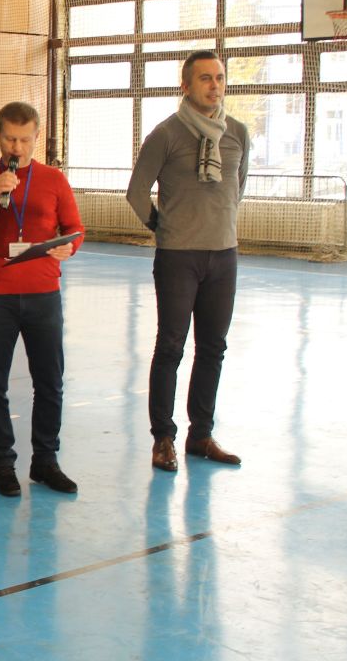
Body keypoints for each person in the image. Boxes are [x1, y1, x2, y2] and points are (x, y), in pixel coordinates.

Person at [0, 101, 85, 497]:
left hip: (44, 294)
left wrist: (69, 247)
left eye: (25, 140)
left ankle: (46, 460)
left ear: (36, 137)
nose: (17, 148)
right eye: (10, 139)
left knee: (50, 383)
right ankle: (4, 465)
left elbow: (75, 228)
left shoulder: (54, 180)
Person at [126, 50, 248, 472]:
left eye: (219, 77)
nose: (215, 86)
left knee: (213, 347)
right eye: (205, 79)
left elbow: (237, 188)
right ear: (186, 85)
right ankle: (163, 438)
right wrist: (163, 227)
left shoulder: (238, 133)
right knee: (171, 346)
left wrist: (217, 224)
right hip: (178, 256)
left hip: (224, 256)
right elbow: (136, 193)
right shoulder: (166, 134)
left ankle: (201, 436)